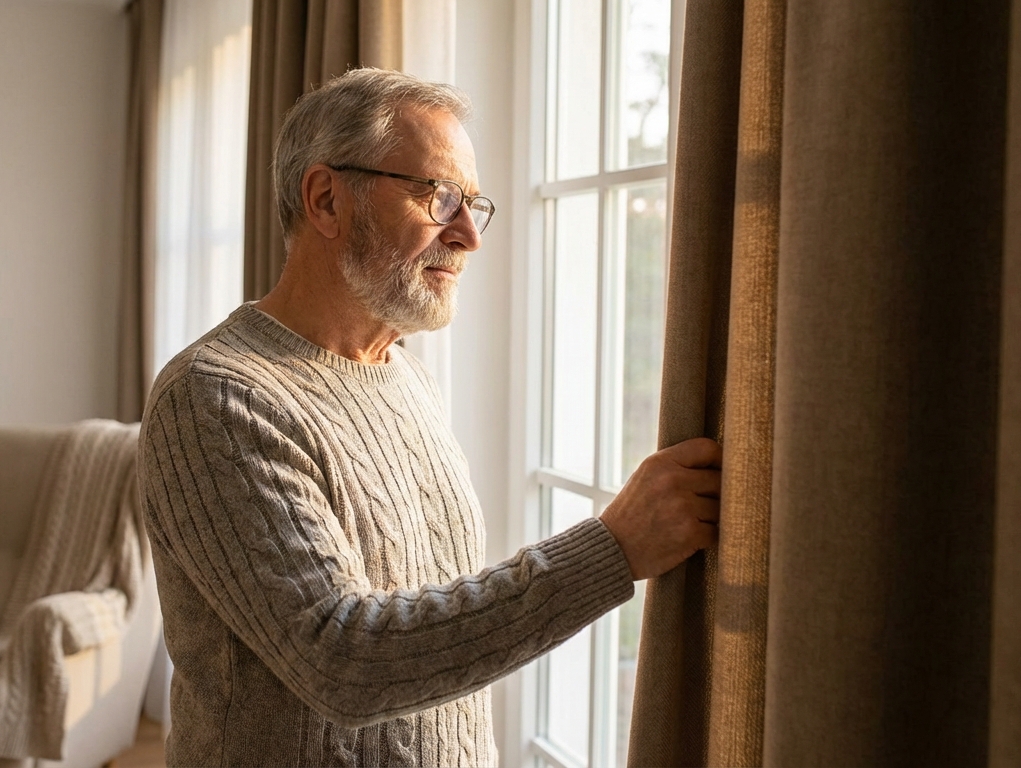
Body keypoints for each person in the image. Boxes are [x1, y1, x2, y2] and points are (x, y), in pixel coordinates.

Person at [139, 68, 721, 767]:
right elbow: (343, 660)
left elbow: (435, 643)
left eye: (473, 202)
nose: (470, 235)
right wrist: (613, 550)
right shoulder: (215, 398)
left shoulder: (405, 374)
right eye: (440, 197)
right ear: (327, 200)